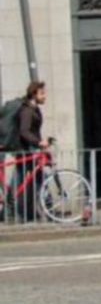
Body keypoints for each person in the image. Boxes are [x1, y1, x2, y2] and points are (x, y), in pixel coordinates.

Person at [8, 81, 47, 223]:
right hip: (24, 150)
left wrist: (41, 144)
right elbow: (24, 131)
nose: (45, 96)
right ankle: (12, 211)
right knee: (22, 181)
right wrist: (38, 142)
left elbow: (34, 131)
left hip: (29, 149)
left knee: (35, 178)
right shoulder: (27, 110)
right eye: (42, 93)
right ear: (34, 94)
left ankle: (34, 211)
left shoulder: (34, 109)